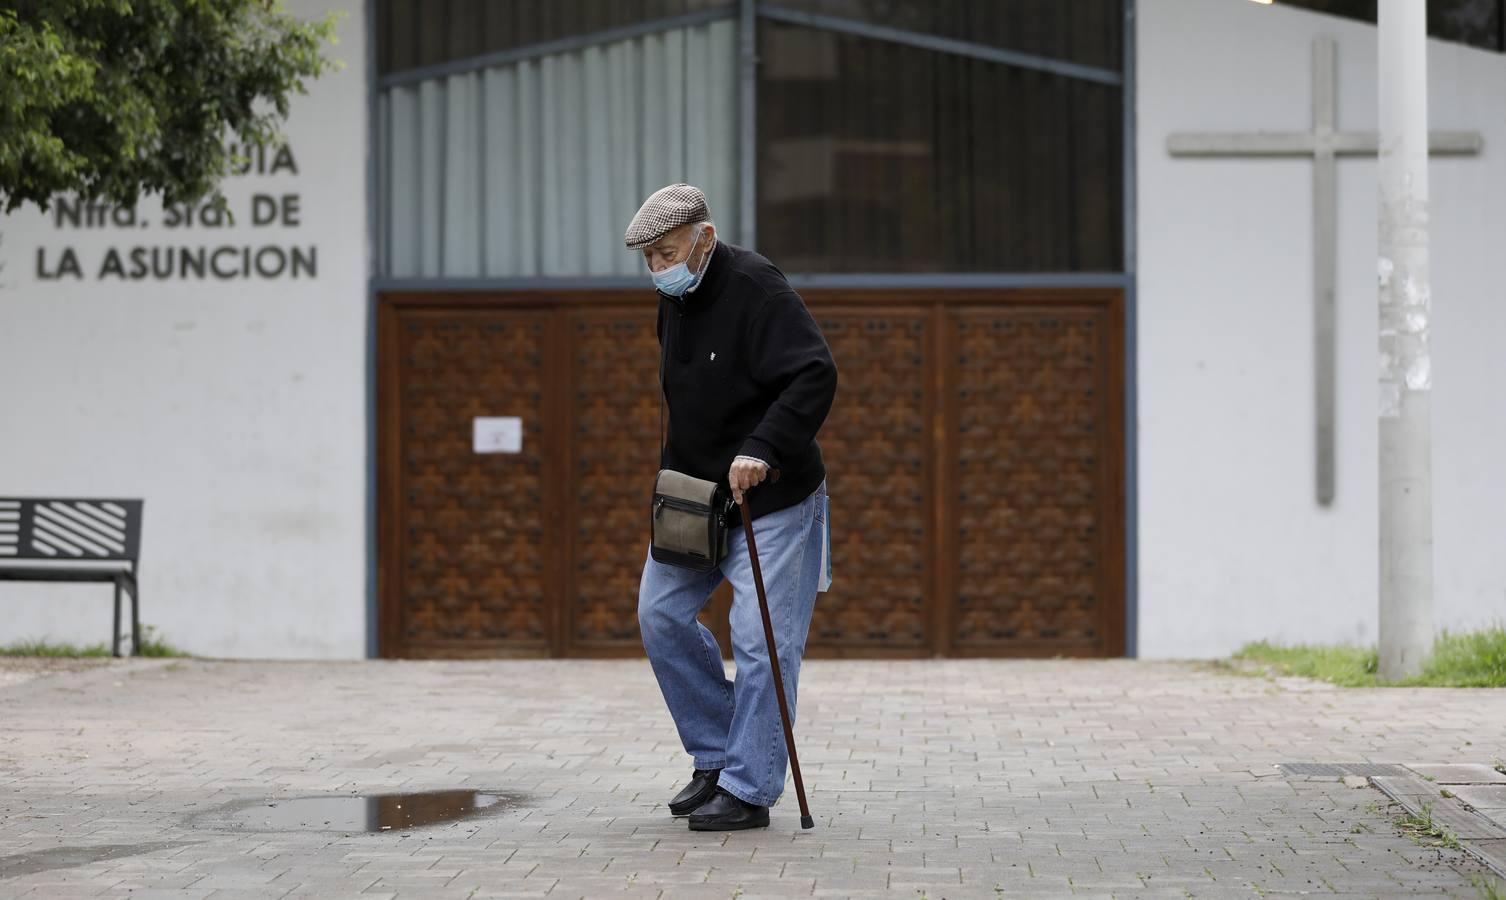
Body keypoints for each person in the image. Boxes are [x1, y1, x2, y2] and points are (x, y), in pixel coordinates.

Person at [627, 183, 837, 831]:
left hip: (770, 497)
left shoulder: (757, 289)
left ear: (705, 239)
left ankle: (748, 788)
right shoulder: (677, 303)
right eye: (650, 260)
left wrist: (762, 447)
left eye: (668, 253)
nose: (660, 269)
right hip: (697, 502)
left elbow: (814, 374)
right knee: (659, 615)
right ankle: (719, 753)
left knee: (759, 639)